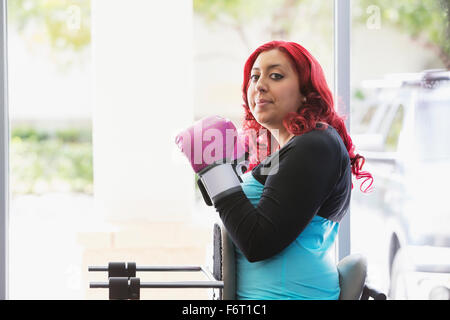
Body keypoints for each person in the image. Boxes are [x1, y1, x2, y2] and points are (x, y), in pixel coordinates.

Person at [176, 40, 373, 300]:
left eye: (276, 76)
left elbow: (258, 242)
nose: (259, 85)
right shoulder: (291, 151)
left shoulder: (315, 143)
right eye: (254, 77)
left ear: (306, 92)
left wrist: (216, 172)